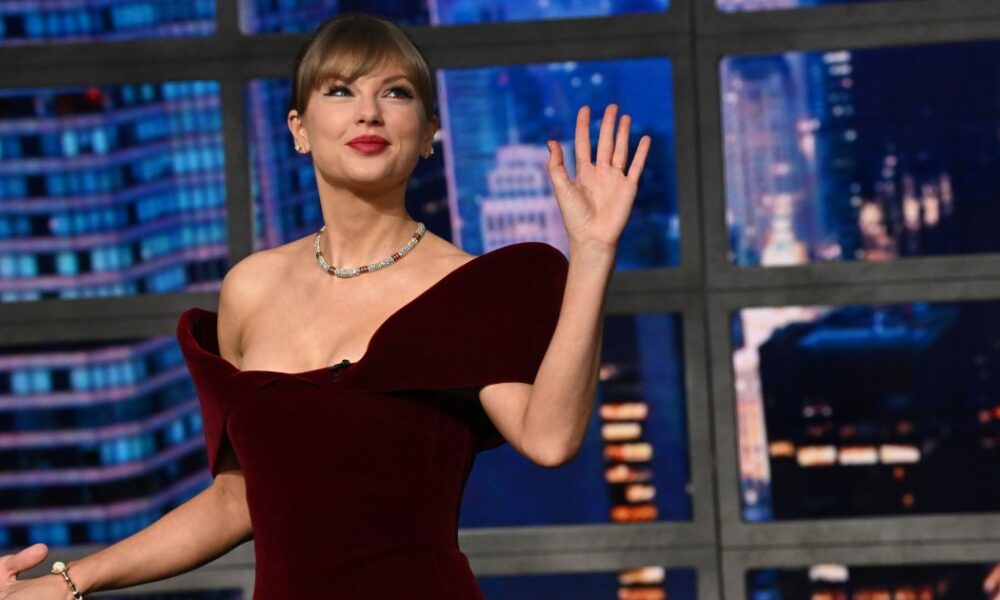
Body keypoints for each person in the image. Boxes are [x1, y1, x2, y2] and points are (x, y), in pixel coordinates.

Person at [0, 12, 650, 599]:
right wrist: (69, 582)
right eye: (340, 90)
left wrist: (593, 251)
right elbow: (236, 500)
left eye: (395, 93)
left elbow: (551, 439)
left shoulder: (469, 289)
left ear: (429, 133)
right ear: (300, 129)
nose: (368, 113)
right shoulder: (250, 288)